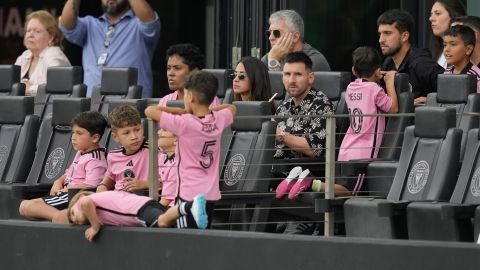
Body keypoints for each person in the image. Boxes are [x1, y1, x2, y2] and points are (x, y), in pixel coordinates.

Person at [145, 71, 237, 228]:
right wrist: (211, 110)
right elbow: (232, 107)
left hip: (189, 193)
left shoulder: (185, 123)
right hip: (211, 193)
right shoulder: (218, 119)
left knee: (187, 238)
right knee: (203, 235)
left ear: (190, 97)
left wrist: (180, 111)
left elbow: (150, 110)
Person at [59, 0, 160, 98]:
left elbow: (150, 22)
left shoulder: (138, 25)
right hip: (93, 106)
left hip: (130, 107)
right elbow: (66, 25)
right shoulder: (90, 24)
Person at [18, 111, 107, 221]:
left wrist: (69, 189)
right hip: (66, 194)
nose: (73, 137)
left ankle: (62, 217)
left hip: (74, 196)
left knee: (27, 207)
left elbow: (92, 186)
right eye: (73, 132)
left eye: (79, 133)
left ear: (95, 138)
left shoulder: (96, 159)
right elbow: (68, 173)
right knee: (25, 207)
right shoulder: (81, 152)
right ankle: (63, 216)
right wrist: (58, 182)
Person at [68, 190, 208, 242]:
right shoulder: (99, 210)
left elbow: (86, 202)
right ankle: (192, 213)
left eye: (73, 213)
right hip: (146, 204)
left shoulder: (83, 201)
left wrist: (95, 227)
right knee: (168, 222)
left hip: (139, 210)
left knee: (162, 222)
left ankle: (190, 206)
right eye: (73, 221)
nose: (75, 219)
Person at [338, 46, 398, 162]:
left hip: (346, 149)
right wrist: (389, 81)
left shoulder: (350, 88)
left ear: (354, 71)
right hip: (363, 154)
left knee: (341, 181)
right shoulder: (374, 89)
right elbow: (393, 108)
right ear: (378, 72)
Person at [274, 51, 333, 159]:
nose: (291, 80)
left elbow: (314, 149)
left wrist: (278, 134)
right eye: (287, 74)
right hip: (274, 169)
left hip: (305, 173)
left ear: (310, 78)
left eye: (298, 74)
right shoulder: (283, 107)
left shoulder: (321, 104)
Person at [378, 9, 444, 105]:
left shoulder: (421, 63)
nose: (381, 40)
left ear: (404, 36)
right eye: (380, 34)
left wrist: (432, 100)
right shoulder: (388, 63)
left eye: (387, 33)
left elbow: (453, 89)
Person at [96, 105, 157, 193]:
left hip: (141, 199)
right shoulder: (113, 155)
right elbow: (109, 179)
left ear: (142, 128)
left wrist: (144, 184)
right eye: (126, 133)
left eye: (137, 130)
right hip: (117, 199)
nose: (134, 137)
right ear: (115, 137)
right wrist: (102, 186)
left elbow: (169, 182)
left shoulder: (154, 151)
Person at [15, 10, 71, 96]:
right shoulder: (24, 56)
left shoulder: (54, 56)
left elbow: (57, 88)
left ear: (51, 37)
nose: (30, 35)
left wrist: (30, 89)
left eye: (37, 31)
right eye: (28, 31)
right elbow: (10, 85)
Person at [261, 9, 330, 72]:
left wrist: (273, 63)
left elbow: (287, 85)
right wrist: (273, 59)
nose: (270, 37)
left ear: (295, 37)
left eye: (277, 33)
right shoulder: (268, 58)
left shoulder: (314, 60)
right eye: (269, 33)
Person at [429, 0, 466, 68]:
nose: (431, 18)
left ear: (453, 16)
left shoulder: (466, 49)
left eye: (438, 13)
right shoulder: (435, 51)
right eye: (431, 14)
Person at [443, 25, 480, 91]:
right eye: (445, 45)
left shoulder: (476, 76)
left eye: (453, 44)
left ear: (468, 49)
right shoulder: (446, 72)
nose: (446, 49)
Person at [157, 128, 177, 207]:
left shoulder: (178, 163)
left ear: (176, 140)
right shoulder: (163, 157)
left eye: (164, 130)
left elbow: (166, 200)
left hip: (174, 209)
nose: (158, 132)